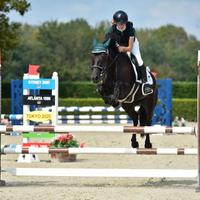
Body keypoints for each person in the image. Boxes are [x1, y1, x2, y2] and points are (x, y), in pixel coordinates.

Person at [105, 10, 152, 94]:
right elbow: (106, 43)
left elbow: (129, 48)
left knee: (139, 60)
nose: (122, 25)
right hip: (120, 45)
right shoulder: (111, 30)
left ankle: (146, 83)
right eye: (119, 23)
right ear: (116, 23)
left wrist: (121, 49)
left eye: (123, 23)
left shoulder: (130, 29)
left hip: (132, 45)